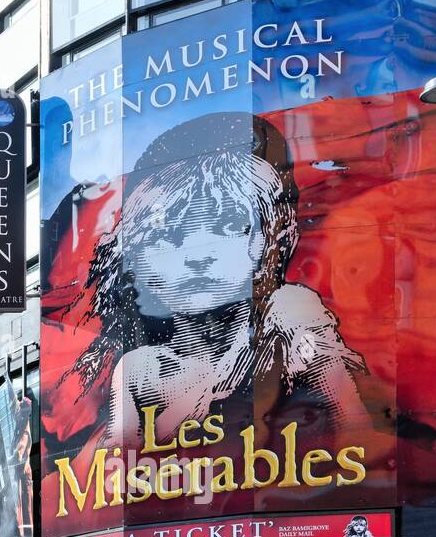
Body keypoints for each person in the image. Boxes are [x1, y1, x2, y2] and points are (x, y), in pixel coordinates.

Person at [69, 111, 369, 450]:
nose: (198, 254)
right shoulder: (139, 371)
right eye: (169, 234)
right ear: (135, 257)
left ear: (276, 240)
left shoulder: (287, 317)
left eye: (229, 226)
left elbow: (356, 429)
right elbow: (112, 470)